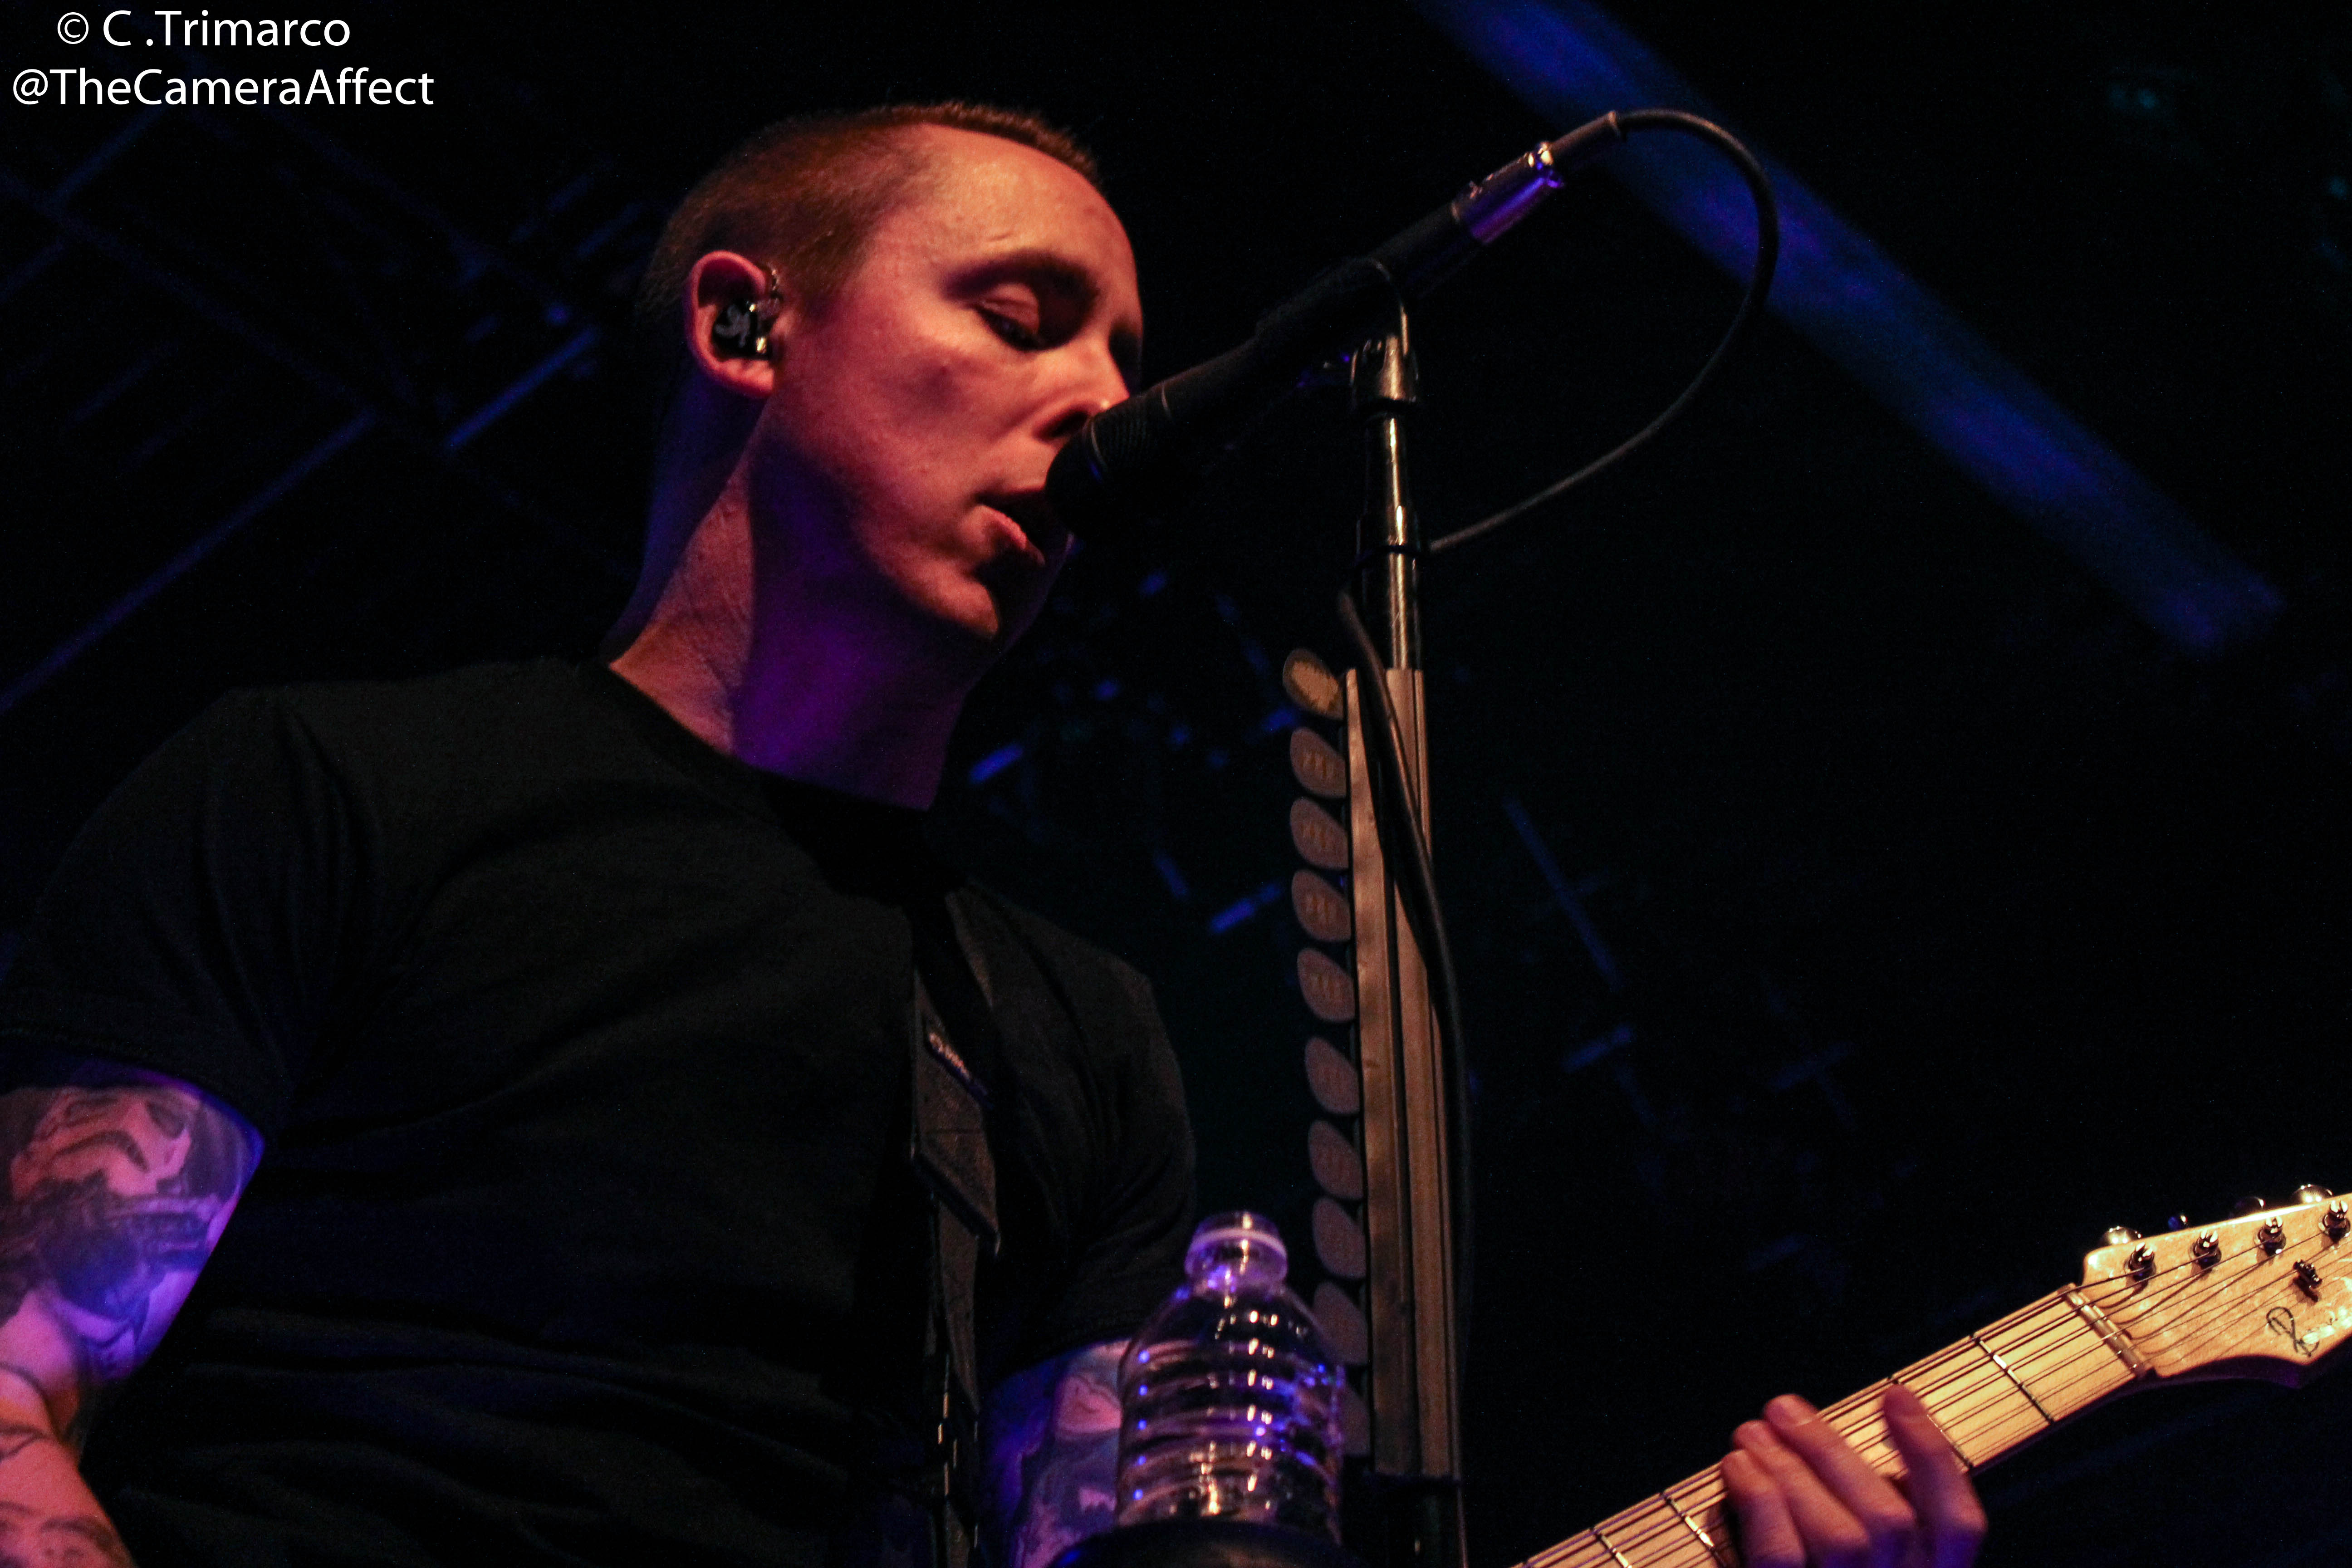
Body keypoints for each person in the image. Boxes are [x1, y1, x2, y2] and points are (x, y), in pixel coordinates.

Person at [0, 103, 1984, 1568]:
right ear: (747, 327)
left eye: (1122, 359)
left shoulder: (1060, 1037)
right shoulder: (332, 788)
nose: (1104, 405)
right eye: (1025, 317)